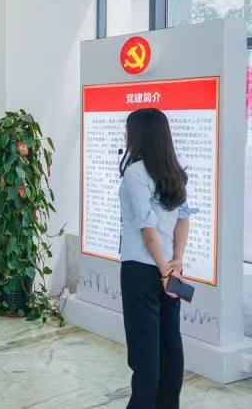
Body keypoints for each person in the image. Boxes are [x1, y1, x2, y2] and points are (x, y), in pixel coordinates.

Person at [119, 108, 193, 409]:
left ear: (140, 134)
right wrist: (176, 261)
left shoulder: (135, 173)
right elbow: (183, 219)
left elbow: (147, 229)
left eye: (128, 129)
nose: (125, 134)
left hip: (141, 270)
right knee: (170, 343)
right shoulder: (174, 171)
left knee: (144, 351)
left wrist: (164, 269)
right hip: (169, 271)